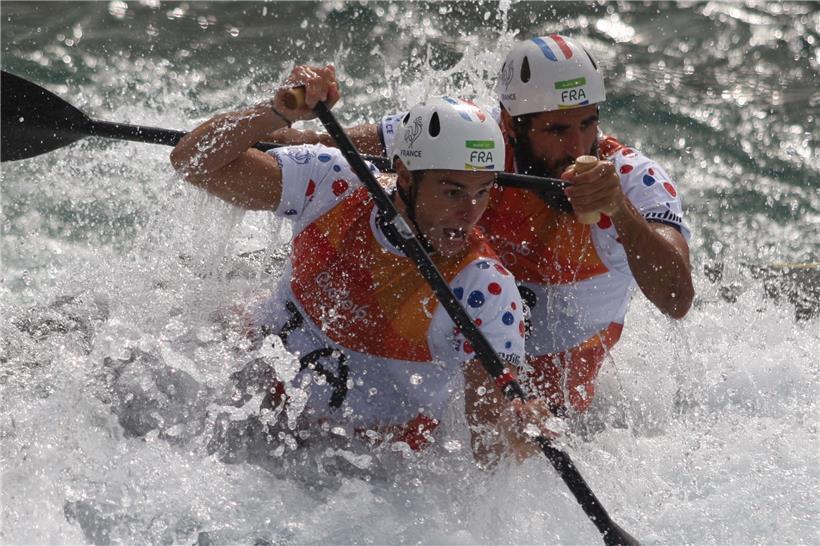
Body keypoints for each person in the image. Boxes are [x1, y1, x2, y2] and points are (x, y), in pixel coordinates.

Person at [269, 35, 695, 415]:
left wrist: (618, 209)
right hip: (454, 376)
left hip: (557, 400)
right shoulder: (468, 138)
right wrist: (291, 107)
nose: (577, 147)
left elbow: (677, 299)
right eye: (557, 129)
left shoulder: (634, 181)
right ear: (511, 124)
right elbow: (313, 147)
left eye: (588, 123)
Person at [169, 64, 553, 468]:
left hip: (361, 469)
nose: (469, 212)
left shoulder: (485, 289)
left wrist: (513, 434)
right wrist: (275, 113)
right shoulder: (334, 184)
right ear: (405, 172)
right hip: (249, 401)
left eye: (483, 192)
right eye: (452, 191)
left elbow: (488, 452)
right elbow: (192, 161)